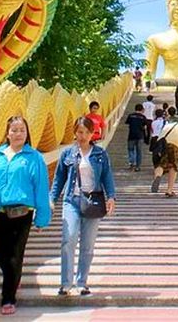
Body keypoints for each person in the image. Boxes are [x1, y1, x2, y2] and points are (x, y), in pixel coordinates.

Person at [0, 116, 51, 315]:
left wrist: (42, 217)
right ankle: (14, 277)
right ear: (7, 133)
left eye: (21, 130)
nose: (17, 134)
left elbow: (41, 188)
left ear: (27, 133)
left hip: (22, 215)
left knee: (15, 257)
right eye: (14, 130)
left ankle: (8, 298)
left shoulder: (34, 157)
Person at [50, 117, 116, 297]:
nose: (83, 136)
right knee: (68, 239)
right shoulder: (67, 154)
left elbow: (107, 177)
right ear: (74, 132)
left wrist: (111, 197)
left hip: (93, 201)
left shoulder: (100, 154)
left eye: (87, 132)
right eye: (80, 132)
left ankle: (82, 282)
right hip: (72, 199)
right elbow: (58, 180)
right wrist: (51, 199)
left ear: (93, 133)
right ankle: (66, 283)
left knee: (88, 245)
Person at [150, 106, 178, 197]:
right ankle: (169, 190)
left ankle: (158, 176)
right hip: (174, 146)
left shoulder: (167, 125)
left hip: (162, 145)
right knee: (173, 166)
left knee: (160, 164)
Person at [124, 103, 149, 171]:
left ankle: (132, 163)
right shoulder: (143, 117)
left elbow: (127, 122)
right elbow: (145, 127)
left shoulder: (130, 116)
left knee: (131, 150)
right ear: (142, 109)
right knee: (139, 152)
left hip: (131, 135)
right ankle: (138, 166)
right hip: (140, 136)